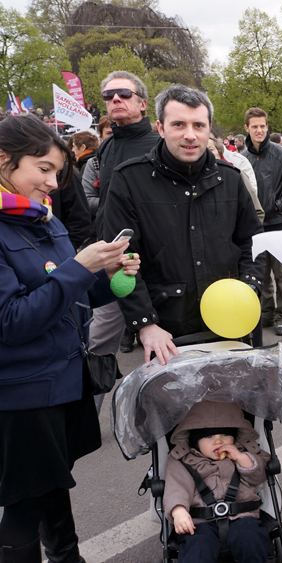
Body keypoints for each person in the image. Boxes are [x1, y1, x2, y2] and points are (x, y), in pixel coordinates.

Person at [0, 115, 140, 563]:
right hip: (22, 397)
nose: (54, 183)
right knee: (25, 506)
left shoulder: (42, 219)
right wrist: (80, 267)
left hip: (62, 382)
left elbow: (76, 296)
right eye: (43, 169)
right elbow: (13, 321)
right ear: (4, 161)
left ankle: (67, 557)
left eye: (58, 172)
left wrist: (110, 273)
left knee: (52, 488)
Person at [101, 85, 264, 365]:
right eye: (178, 124)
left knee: (234, 408)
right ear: (160, 128)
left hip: (232, 323)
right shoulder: (129, 180)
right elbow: (119, 262)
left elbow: (252, 243)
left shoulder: (231, 179)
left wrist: (249, 288)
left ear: (209, 128)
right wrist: (145, 324)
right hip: (166, 331)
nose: (190, 135)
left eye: (198, 125)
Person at [91, 71, 161, 358]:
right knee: (95, 349)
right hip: (108, 260)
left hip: (149, 265)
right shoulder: (107, 145)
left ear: (142, 103)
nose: (115, 98)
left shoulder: (160, 144)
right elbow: (102, 198)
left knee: (160, 351)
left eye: (123, 93)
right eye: (109, 95)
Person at [164, 401, 270, 563]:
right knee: (198, 546)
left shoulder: (242, 454)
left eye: (225, 435)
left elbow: (258, 476)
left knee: (251, 537)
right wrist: (178, 511)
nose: (219, 441)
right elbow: (176, 488)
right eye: (208, 436)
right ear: (195, 441)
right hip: (200, 523)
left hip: (242, 516)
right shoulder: (183, 461)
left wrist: (241, 458)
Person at [241, 107, 282, 337]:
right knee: (260, 272)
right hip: (254, 226)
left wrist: (277, 205)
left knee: (281, 273)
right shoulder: (242, 158)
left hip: (277, 223)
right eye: (254, 126)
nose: (259, 130)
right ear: (246, 128)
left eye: (262, 126)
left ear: (267, 127)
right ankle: (266, 312)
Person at [207, 135, 264, 224]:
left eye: (211, 150)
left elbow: (256, 211)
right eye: (202, 150)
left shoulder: (236, 174)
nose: (207, 153)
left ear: (220, 151)